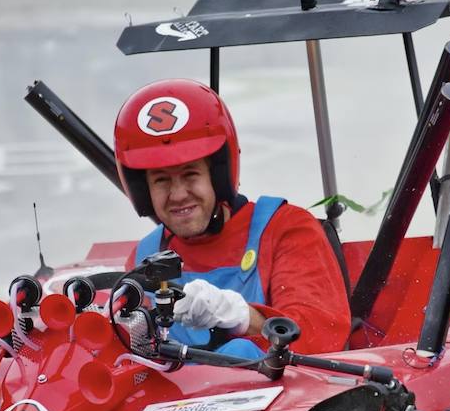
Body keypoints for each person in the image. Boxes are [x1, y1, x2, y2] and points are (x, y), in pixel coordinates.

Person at [114, 78, 351, 356]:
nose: (178, 195)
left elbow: (319, 338)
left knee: (239, 350)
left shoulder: (286, 230)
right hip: (178, 396)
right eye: (161, 181)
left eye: (191, 174)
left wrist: (242, 318)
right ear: (143, 191)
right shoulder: (143, 259)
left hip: (279, 395)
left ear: (218, 175)